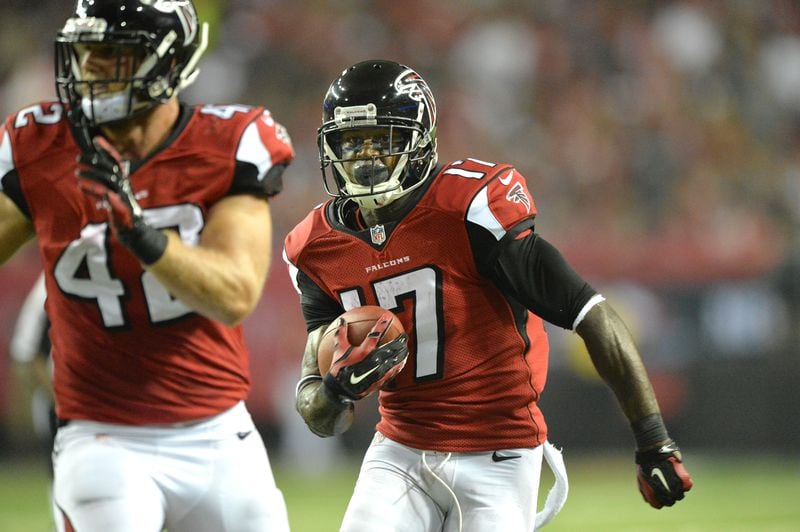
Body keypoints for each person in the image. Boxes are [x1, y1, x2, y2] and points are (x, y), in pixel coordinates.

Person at [284, 59, 693, 531]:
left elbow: (590, 314)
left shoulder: (471, 208)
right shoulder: (313, 246)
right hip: (398, 446)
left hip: (497, 450)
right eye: (352, 143)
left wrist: (653, 439)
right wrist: (336, 388)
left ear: (419, 141)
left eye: (383, 139)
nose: (367, 158)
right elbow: (320, 415)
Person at [0, 1, 294, 531]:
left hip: (219, 433)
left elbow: (234, 294)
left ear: (168, 63)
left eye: (112, 58)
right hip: (102, 433)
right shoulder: (40, 143)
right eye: (87, 55)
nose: (90, 72)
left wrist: (139, 233)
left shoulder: (226, 145)